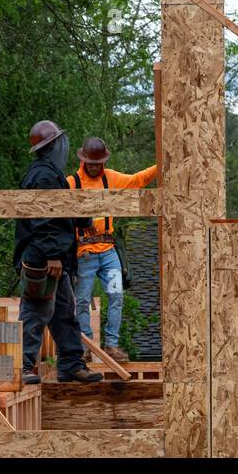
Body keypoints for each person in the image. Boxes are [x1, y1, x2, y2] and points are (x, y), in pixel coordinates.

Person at [14, 120, 103, 385]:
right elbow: (44, 218)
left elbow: (62, 212)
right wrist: (52, 254)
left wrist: (82, 218)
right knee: (35, 312)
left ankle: (71, 365)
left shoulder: (51, 174)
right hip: (43, 259)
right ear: (53, 145)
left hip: (57, 259)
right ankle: (25, 366)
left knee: (64, 313)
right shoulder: (42, 176)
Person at [67, 136, 158, 364]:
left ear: (104, 162)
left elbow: (138, 180)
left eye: (99, 163)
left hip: (108, 252)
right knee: (82, 300)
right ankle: (85, 346)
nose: (95, 167)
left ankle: (112, 345)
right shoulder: (71, 183)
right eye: (91, 163)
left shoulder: (112, 178)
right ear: (83, 160)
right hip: (84, 252)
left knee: (116, 295)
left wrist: (163, 164)